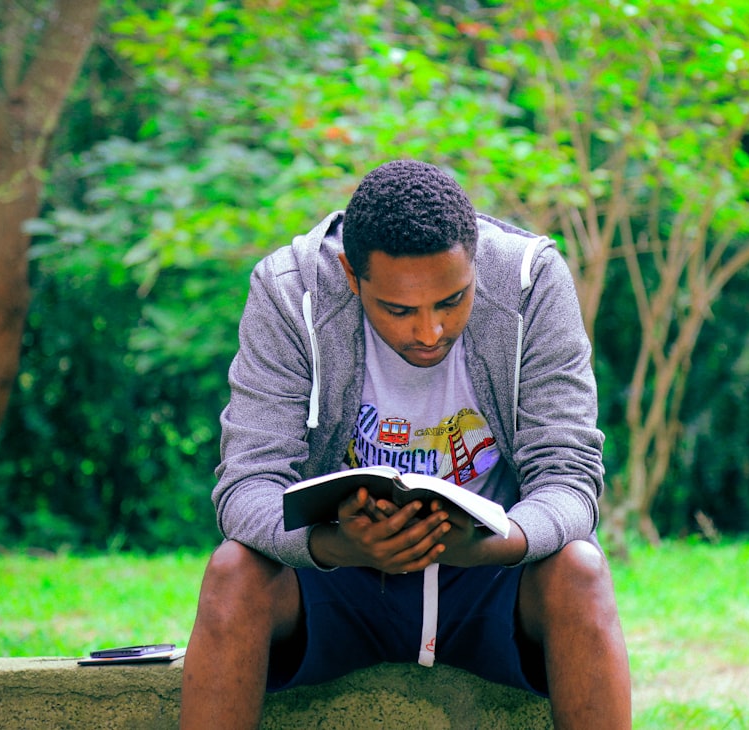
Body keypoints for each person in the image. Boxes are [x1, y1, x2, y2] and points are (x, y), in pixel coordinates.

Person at [180, 160, 631, 729]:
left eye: (452, 301)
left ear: (476, 264)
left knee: (582, 571)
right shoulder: (289, 291)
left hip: (489, 578)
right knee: (232, 573)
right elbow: (245, 487)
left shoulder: (530, 282)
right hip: (336, 578)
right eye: (398, 310)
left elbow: (569, 476)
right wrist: (337, 545)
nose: (429, 331)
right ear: (350, 274)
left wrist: (493, 543)